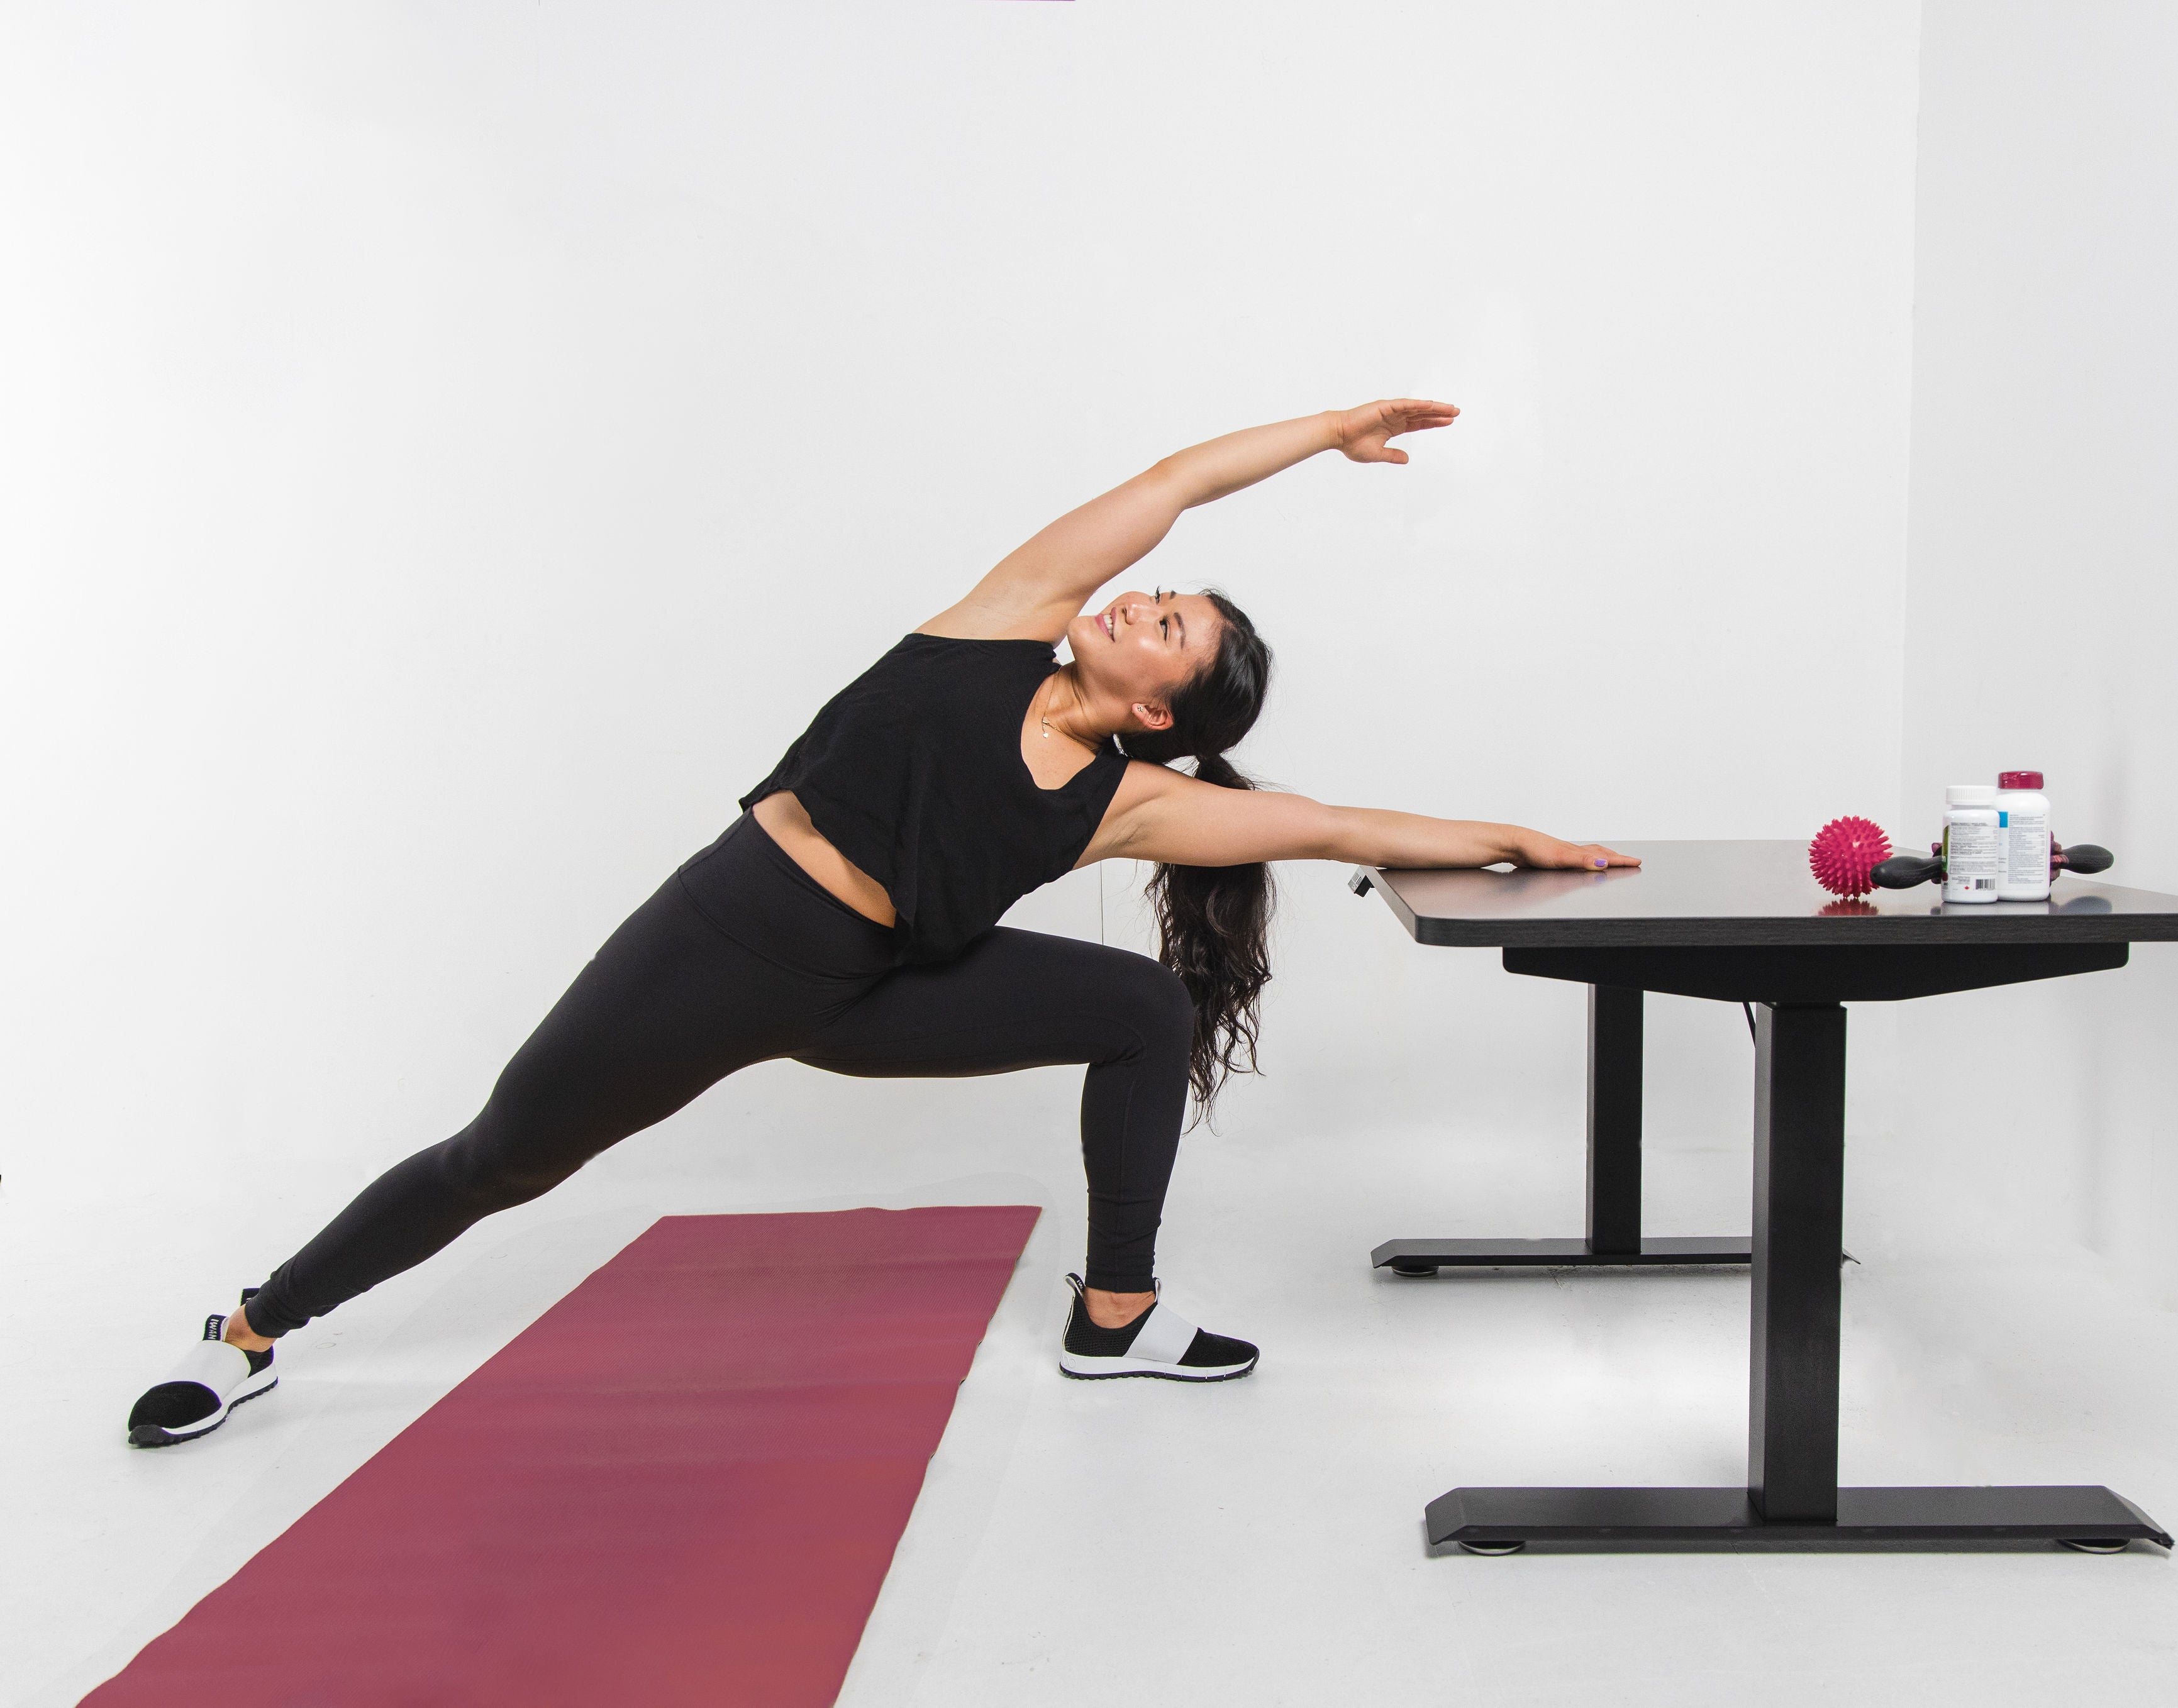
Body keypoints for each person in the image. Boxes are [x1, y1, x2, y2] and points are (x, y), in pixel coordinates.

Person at [125, 399, 1638, 1446]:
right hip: (725, 940)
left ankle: (1116, 1314)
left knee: (1141, 1009)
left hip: (870, 989)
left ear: (1160, 709)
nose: (1140, 595)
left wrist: (1518, 840)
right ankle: (254, 1328)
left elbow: (1339, 827)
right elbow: (1174, 479)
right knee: (507, 1153)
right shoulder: (1003, 616)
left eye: (1164, 621)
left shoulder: (1126, 800)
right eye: (1158, 592)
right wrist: (1329, 430)